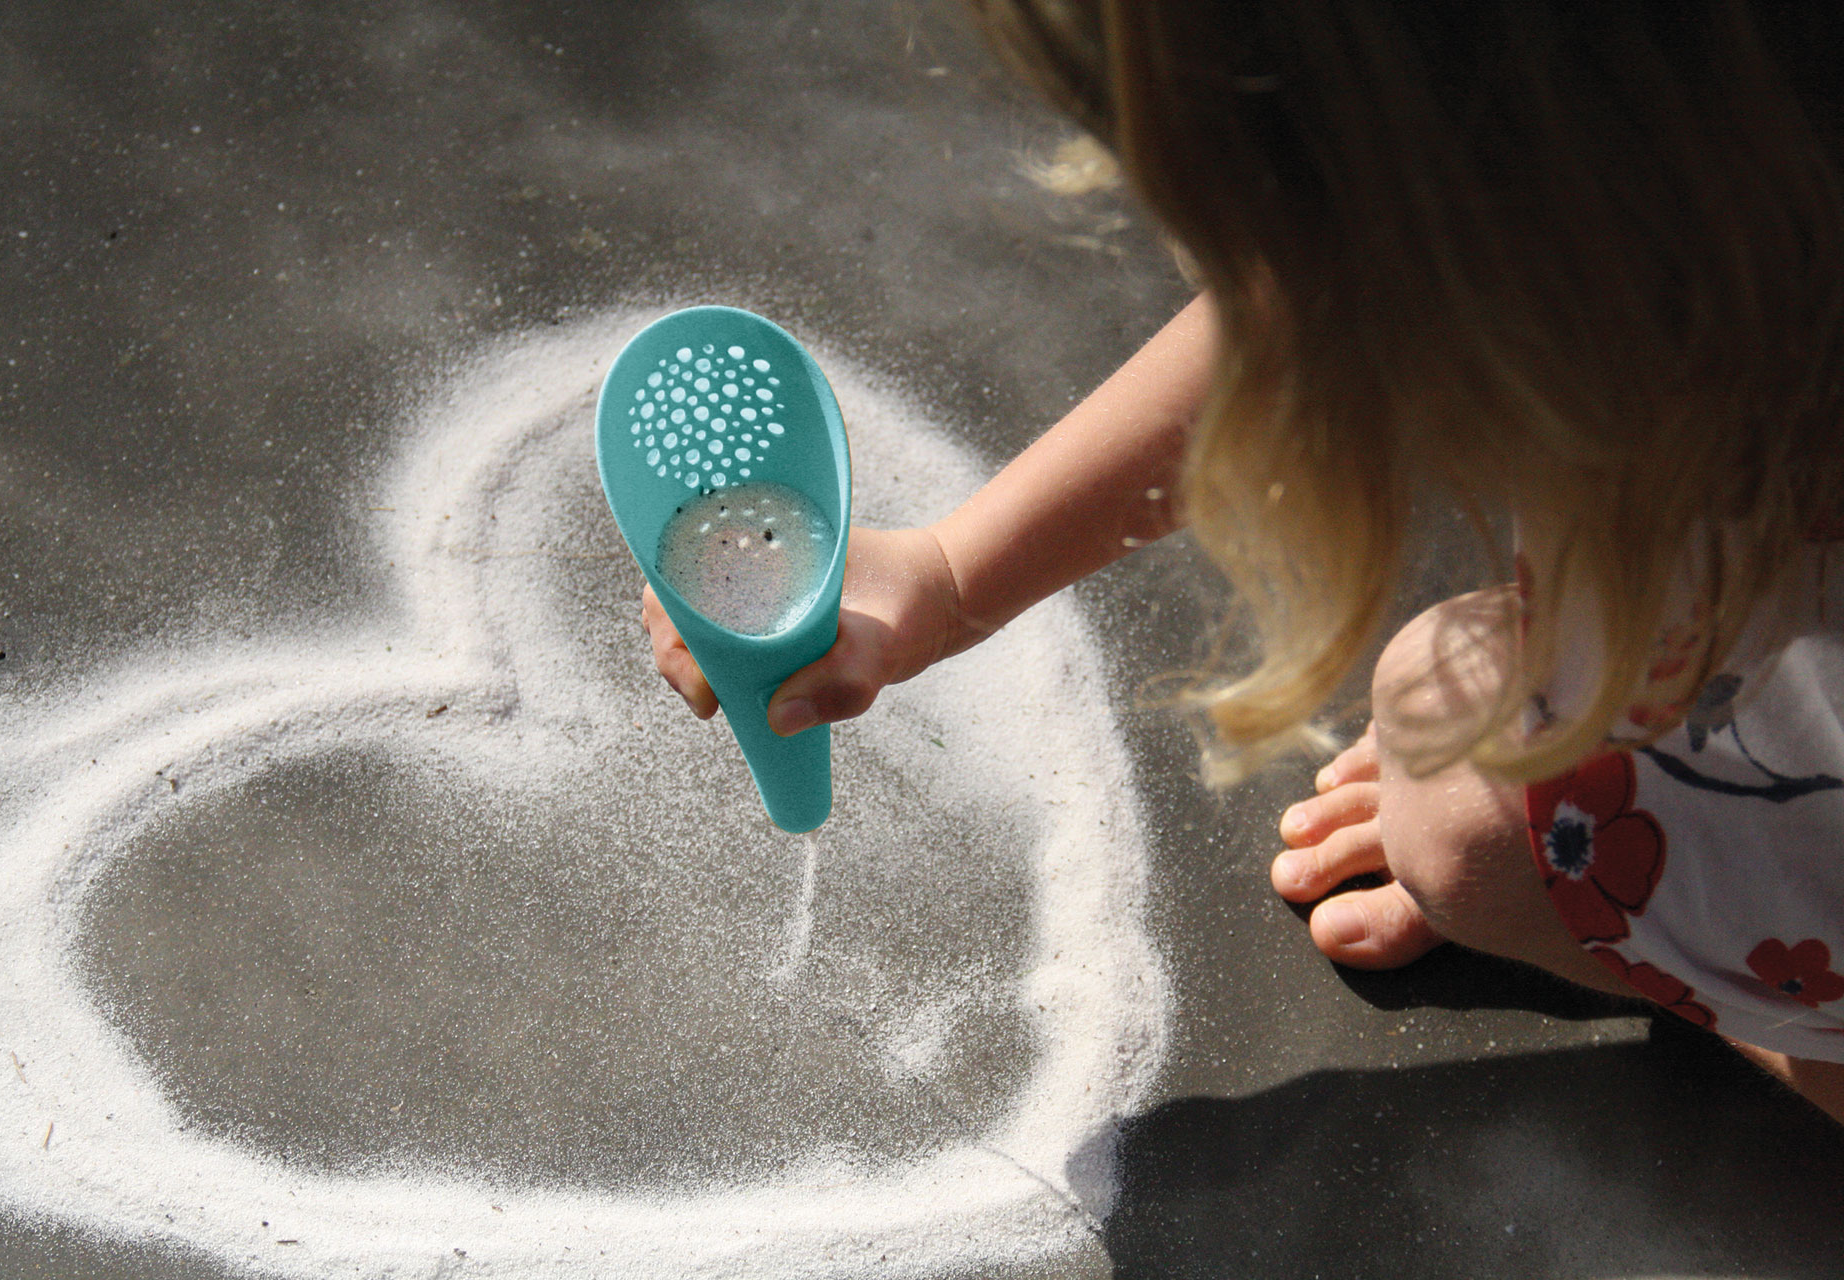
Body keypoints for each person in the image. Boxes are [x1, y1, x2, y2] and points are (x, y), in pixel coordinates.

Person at [642, 0, 1844, 1124]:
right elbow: (1325, 292)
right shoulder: (1650, 201)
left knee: (1455, 830)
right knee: (1446, 728)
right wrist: (957, 574)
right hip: (1722, 664)